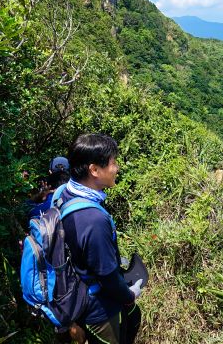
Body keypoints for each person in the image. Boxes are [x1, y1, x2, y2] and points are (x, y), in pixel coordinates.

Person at [60, 134, 142, 344]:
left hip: (76, 296)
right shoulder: (93, 220)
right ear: (94, 170)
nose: (117, 168)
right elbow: (106, 275)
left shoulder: (65, 193)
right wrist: (129, 295)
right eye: (113, 163)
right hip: (99, 309)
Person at [27, 157, 70, 221]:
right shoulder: (80, 200)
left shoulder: (37, 211)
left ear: (50, 172)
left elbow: (24, 208)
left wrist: (40, 196)